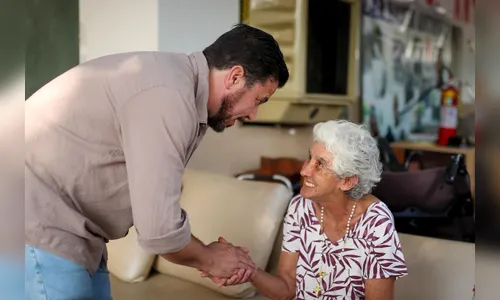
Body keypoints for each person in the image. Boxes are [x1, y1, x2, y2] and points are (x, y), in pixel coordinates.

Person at [24, 23, 289, 299]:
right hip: (40, 224)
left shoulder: (174, 84)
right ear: (235, 77)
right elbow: (159, 231)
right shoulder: (170, 97)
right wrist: (210, 259)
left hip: (78, 236)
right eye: (259, 100)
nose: (254, 113)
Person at [203, 120, 408, 299]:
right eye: (309, 158)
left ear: (346, 181)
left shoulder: (376, 223)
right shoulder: (300, 208)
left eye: (320, 164)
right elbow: (286, 289)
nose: (304, 170)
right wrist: (248, 269)